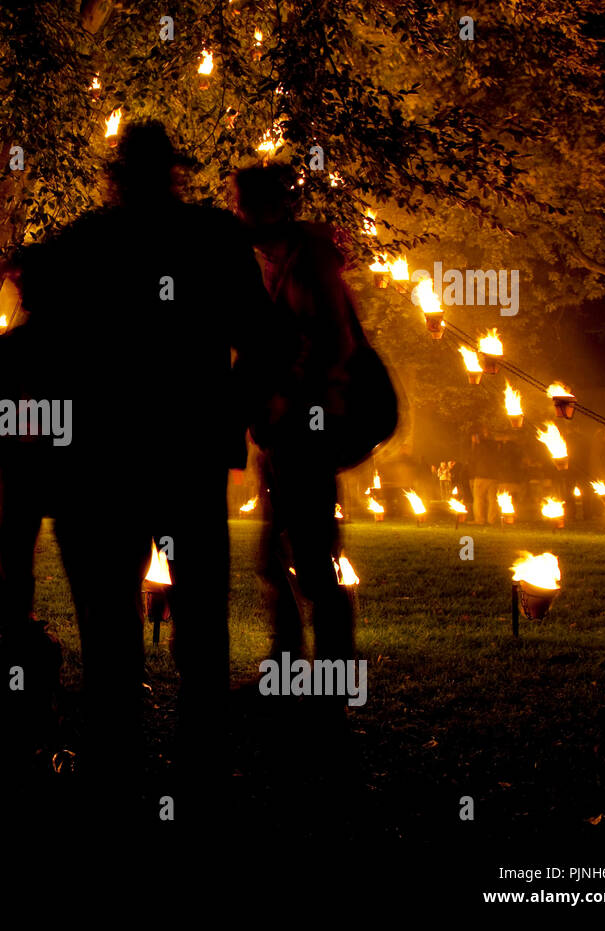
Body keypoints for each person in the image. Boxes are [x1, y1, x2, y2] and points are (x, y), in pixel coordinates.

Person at [9, 122, 287, 812]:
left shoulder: (86, 242)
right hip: (185, 458)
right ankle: (200, 769)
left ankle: (115, 770)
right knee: (200, 624)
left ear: (117, 177)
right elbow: (265, 340)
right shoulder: (216, 238)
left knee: (110, 629)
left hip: (104, 465)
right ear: (175, 173)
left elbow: (41, 341)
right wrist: (231, 411)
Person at [235, 162, 358, 668]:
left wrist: (288, 395)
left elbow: (332, 341)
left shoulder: (308, 262)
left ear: (273, 207)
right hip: (281, 434)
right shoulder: (276, 263)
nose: (239, 217)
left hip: (307, 431)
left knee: (310, 563)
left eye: (244, 207)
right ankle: (286, 669)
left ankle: (330, 679)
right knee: (272, 559)